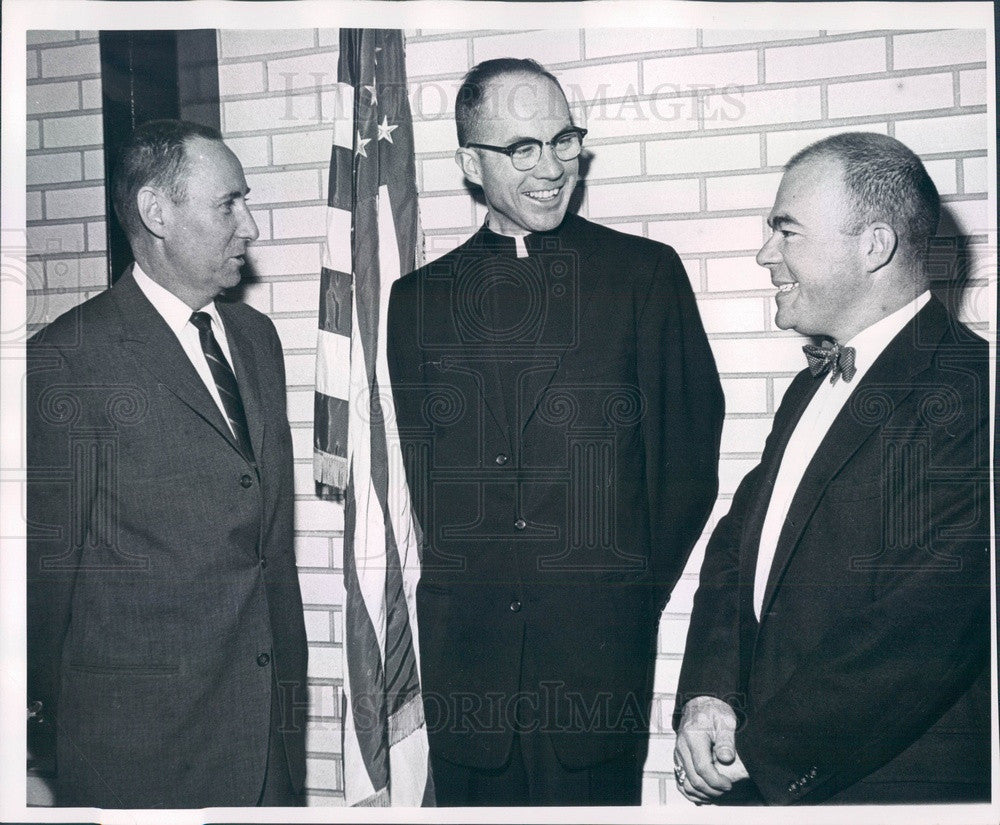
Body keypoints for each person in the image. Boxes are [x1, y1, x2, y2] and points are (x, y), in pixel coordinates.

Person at [386, 58, 723, 806]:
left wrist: (627, 593)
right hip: (467, 668)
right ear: (470, 164)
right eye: (522, 149)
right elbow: (430, 481)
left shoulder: (644, 275)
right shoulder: (414, 302)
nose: (553, 168)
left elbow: (687, 465)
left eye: (563, 140)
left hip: (596, 661)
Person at [673, 132, 990, 805]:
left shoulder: (971, 390)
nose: (765, 254)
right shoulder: (807, 389)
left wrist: (763, 753)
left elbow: (922, 628)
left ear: (874, 245)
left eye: (786, 231)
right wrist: (709, 694)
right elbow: (736, 553)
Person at [26, 119, 308, 808]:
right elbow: (41, 581)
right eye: (228, 204)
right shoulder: (67, 360)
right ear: (157, 212)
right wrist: (36, 745)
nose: (251, 225)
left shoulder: (256, 337)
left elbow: (267, 547)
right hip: (141, 761)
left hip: (266, 744)